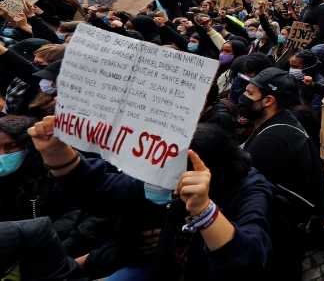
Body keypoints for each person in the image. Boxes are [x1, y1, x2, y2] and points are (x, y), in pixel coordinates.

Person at [28, 117, 293, 280]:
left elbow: (247, 260)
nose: (152, 184)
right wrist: (56, 153)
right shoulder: (164, 178)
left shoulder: (251, 191)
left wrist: (204, 211)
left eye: (164, 180)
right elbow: (102, 190)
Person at [237, 68, 324, 228]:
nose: (243, 97)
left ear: (268, 101)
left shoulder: (272, 140)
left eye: (250, 93)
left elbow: (246, 187)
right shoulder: (282, 119)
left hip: (282, 224)